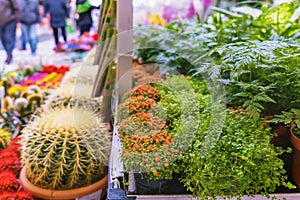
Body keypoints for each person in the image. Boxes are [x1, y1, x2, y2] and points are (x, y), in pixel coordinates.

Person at [0, 0, 21, 64]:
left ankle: (9, 54)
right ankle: (8, 52)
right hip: (0, 22)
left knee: (9, 37)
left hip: (10, 20)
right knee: (3, 38)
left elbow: (17, 8)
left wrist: (16, 18)